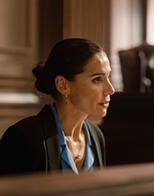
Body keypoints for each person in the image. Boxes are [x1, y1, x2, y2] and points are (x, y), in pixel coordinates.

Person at [0, 38, 115, 175]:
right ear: (63, 85)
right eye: (97, 79)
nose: (111, 89)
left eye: (109, 77)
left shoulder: (97, 136)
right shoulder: (23, 138)